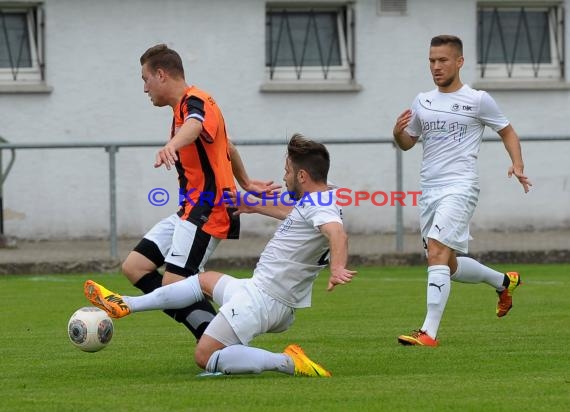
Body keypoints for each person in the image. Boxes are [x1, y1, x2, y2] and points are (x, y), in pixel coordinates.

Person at [84, 133, 356, 377]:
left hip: (264, 300)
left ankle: (287, 362)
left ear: (302, 177)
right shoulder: (320, 196)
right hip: (259, 291)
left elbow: (337, 233)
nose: (284, 177)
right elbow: (297, 216)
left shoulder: (322, 207)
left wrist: (337, 268)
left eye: (287, 172)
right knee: (203, 281)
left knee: (204, 357)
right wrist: (253, 206)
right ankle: (125, 305)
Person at [124, 44, 280, 341]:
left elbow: (194, 127)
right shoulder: (184, 107)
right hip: (190, 209)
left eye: (145, 79)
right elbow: (227, 146)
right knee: (135, 266)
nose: (145, 88)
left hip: (208, 211)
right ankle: (211, 332)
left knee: (174, 284)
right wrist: (246, 182)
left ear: (161, 75)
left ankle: (220, 340)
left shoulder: (195, 102)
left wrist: (172, 145)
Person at [392, 35, 532, 347]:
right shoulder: (422, 101)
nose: (436, 66)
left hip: (461, 186)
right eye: (431, 60)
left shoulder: (478, 99)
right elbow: (407, 144)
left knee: (438, 252)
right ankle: (502, 282)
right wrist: (397, 132)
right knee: (446, 263)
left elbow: (507, 131)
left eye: (442, 60)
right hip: (430, 189)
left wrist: (518, 164)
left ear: (459, 62)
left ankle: (428, 332)